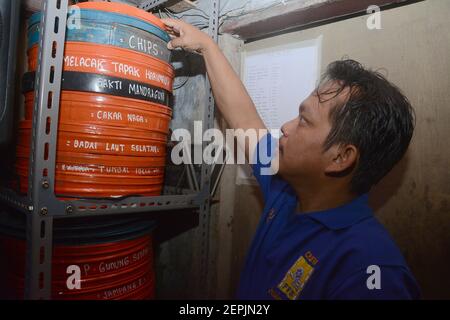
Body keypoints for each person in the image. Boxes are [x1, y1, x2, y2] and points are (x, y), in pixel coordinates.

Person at [161, 18, 421, 300]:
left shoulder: (369, 271)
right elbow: (246, 120)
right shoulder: (285, 190)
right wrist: (207, 46)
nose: (285, 126)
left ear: (341, 157)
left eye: (304, 121)